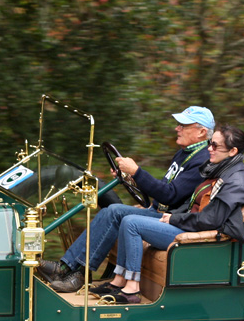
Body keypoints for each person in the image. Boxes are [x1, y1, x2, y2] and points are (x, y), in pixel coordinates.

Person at [42, 105, 215, 293]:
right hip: (157, 211)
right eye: (178, 124)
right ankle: (66, 267)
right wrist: (131, 178)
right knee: (112, 210)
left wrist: (137, 172)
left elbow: (170, 194)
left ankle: (76, 273)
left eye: (183, 125)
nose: (177, 128)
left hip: (171, 219)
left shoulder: (202, 159)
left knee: (119, 214)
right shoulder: (185, 152)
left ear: (201, 132)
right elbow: (164, 188)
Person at [92, 124, 244, 304]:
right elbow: (192, 203)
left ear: (232, 151)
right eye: (210, 143)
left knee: (132, 223)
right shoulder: (218, 170)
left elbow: (211, 219)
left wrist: (174, 218)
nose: (209, 148)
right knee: (127, 218)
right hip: (188, 225)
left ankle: (131, 290)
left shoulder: (235, 180)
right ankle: (118, 281)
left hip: (198, 237)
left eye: (215, 146)